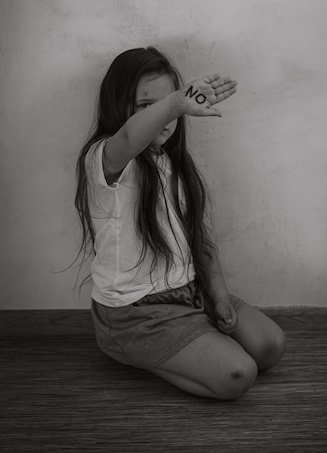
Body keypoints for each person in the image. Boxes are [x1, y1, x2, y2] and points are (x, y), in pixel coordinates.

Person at [75, 46, 286, 400]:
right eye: (147, 106)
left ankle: (194, 338)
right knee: (239, 374)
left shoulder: (175, 167)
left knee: (270, 346)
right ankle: (134, 351)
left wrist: (218, 298)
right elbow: (129, 137)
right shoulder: (106, 158)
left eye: (172, 104)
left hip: (190, 295)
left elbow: (201, 241)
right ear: (119, 105)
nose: (166, 117)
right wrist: (175, 102)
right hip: (135, 315)